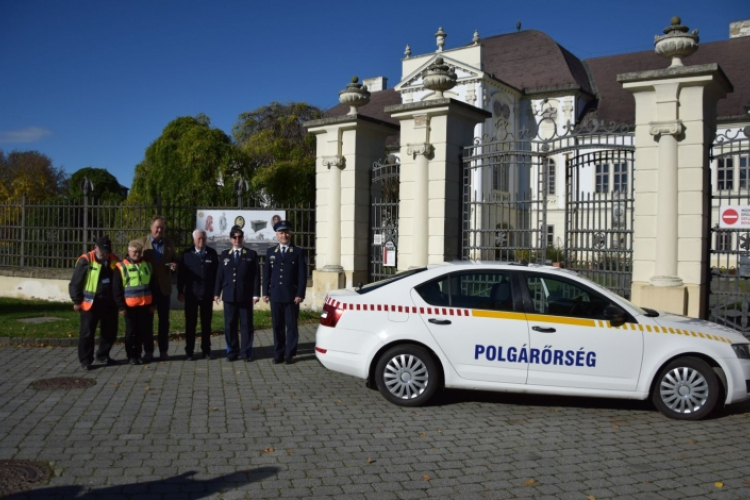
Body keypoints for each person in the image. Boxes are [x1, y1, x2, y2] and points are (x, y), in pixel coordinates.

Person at [68, 236, 120, 370]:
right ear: (95, 248)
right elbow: (76, 282)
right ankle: (86, 360)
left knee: (110, 331)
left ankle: (103, 355)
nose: (105, 255)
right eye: (102, 252)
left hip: (109, 302)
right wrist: (76, 300)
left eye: (107, 252)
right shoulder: (86, 260)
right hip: (91, 302)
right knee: (87, 332)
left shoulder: (113, 259)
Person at [263, 220, 307, 364]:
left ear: (290, 233)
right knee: (277, 326)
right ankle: (278, 353)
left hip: (291, 296)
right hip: (275, 295)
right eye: (281, 233)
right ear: (277, 235)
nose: (284, 235)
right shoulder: (271, 252)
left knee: (291, 326)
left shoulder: (298, 252)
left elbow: (302, 275)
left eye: (286, 232)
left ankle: (290, 353)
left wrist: (300, 294)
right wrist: (265, 292)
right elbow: (266, 275)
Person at [214, 225, 260, 362]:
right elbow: (219, 275)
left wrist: (256, 294)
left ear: (243, 238)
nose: (237, 239)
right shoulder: (224, 254)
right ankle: (232, 352)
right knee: (230, 325)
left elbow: (256, 276)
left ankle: (246, 352)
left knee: (246, 325)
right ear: (230, 239)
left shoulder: (251, 254)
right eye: (234, 237)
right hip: (229, 295)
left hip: (245, 295)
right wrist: (216, 293)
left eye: (239, 237)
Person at [177, 229, 218, 360]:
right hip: (191, 294)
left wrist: (216, 292)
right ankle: (189, 351)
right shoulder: (187, 254)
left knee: (206, 324)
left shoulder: (212, 253)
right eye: (199, 238)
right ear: (194, 239)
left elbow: (217, 275)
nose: (201, 241)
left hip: (207, 294)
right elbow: (181, 275)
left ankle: (206, 350)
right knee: (190, 323)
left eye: (204, 238)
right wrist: (180, 291)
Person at [140, 216, 177, 361]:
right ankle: (148, 351)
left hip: (164, 288)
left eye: (162, 228)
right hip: (148, 288)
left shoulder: (169, 243)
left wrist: (174, 265)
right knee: (147, 321)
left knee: (164, 321)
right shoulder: (142, 243)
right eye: (157, 227)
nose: (159, 230)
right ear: (151, 228)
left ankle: (163, 351)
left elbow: (174, 258)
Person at [113, 240, 155, 365]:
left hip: (145, 305)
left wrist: (153, 304)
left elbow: (153, 286)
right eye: (134, 252)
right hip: (129, 306)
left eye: (139, 252)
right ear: (128, 252)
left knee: (142, 331)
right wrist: (121, 307)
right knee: (131, 332)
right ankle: (131, 356)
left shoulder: (147, 265)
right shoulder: (121, 267)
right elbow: (117, 289)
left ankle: (139, 354)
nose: (137, 254)